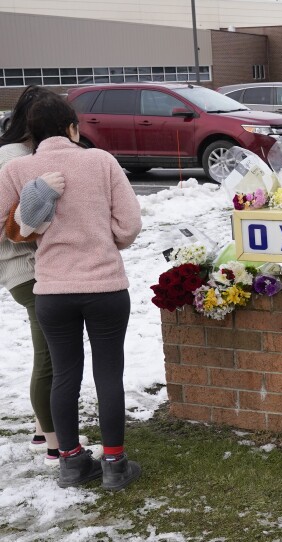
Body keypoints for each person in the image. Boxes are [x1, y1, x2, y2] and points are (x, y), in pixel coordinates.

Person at [0, 92, 143, 490]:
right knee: (108, 373)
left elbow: (7, 230)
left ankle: (71, 463)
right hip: (105, 287)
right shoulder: (101, 161)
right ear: (72, 127)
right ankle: (114, 463)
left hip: (52, 290)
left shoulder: (16, 170)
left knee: (64, 374)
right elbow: (129, 224)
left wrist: (37, 228)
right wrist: (108, 237)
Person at [0, 85, 68, 467]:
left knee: (50, 354)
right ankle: (54, 445)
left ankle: (44, 429)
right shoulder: (14, 157)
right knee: (49, 357)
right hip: (24, 268)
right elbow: (15, 219)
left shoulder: (21, 152)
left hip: (29, 268)